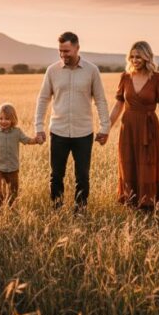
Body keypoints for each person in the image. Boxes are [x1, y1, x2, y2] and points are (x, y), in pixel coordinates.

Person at [34, 32, 110, 213]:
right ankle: (56, 210)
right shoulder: (52, 70)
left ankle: (80, 211)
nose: (63, 55)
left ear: (77, 48)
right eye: (60, 51)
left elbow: (100, 100)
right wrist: (39, 127)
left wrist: (105, 127)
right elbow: (43, 99)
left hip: (83, 133)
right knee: (56, 175)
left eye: (67, 51)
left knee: (82, 176)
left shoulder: (92, 70)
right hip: (58, 132)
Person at [108, 41, 159, 211]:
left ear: (147, 57)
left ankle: (150, 204)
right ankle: (131, 203)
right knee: (128, 164)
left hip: (148, 128)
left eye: (139, 56)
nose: (135, 60)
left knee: (148, 165)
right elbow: (118, 105)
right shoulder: (125, 77)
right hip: (127, 128)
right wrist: (106, 128)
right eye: (132, 56)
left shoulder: (158, 78)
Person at [0, 103, 40, 209]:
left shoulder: (17, 132)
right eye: (1, 118)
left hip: (13, 168)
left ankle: (11, 212)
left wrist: (36, 140)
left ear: (13, 119)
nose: (3, 121)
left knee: (13, 193)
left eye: (7, 118)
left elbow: (27, 140)